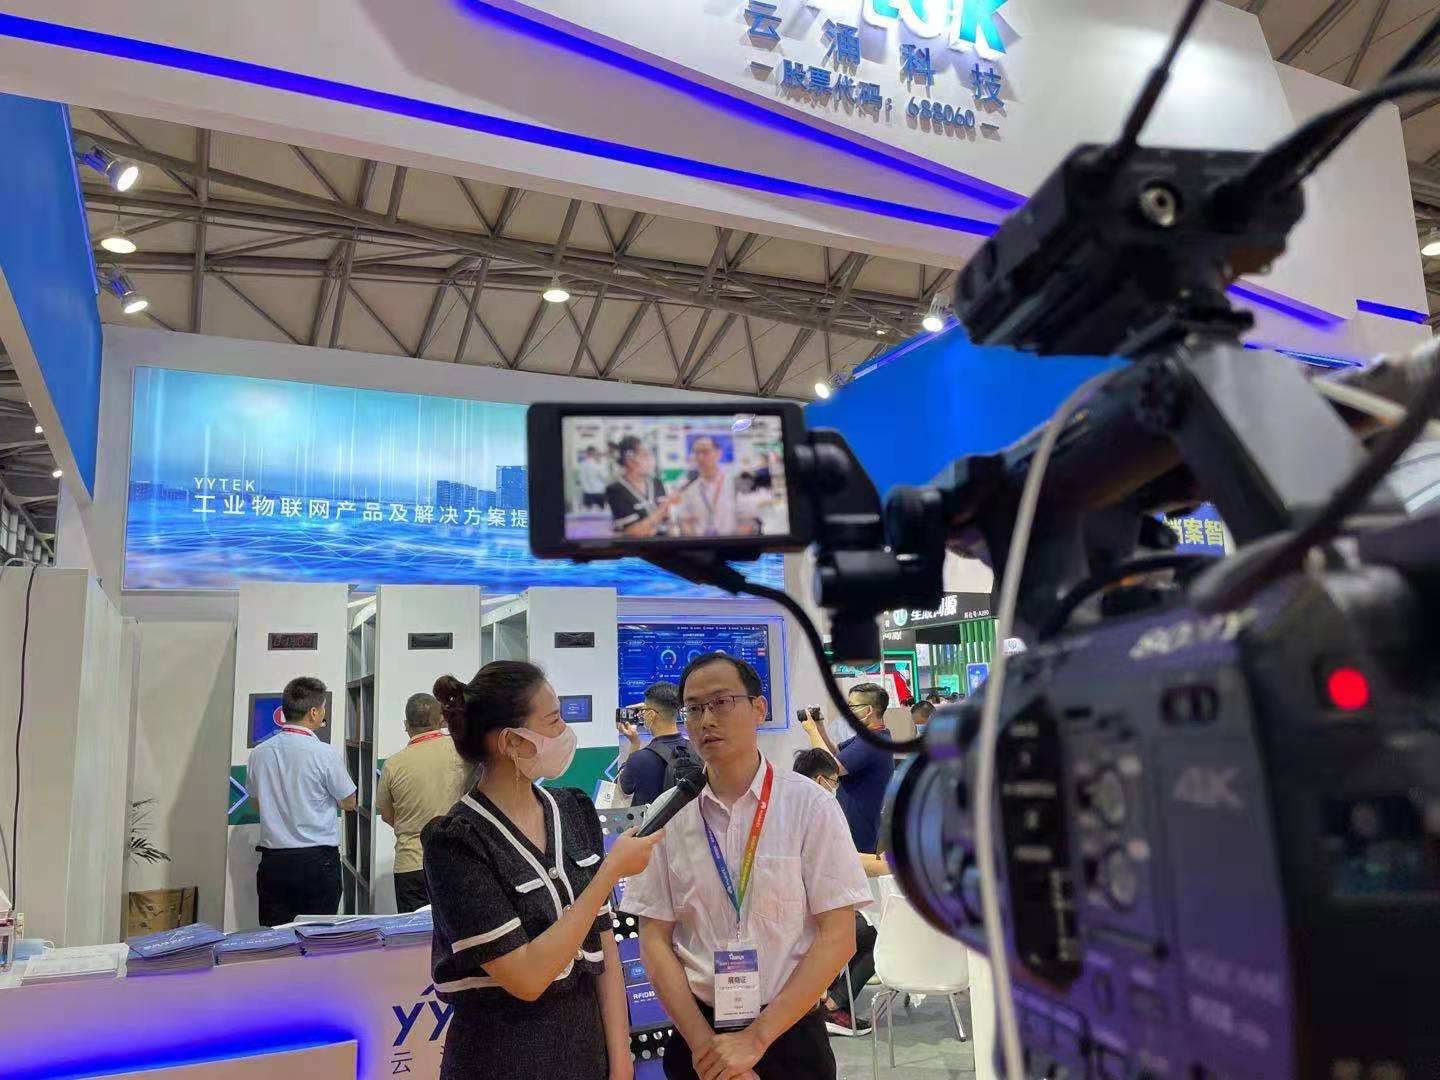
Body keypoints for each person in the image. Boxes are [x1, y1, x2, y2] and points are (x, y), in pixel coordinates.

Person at [626, 652, 870, 1080]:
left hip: (790, 1034)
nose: (706, 719)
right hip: (697, 1038)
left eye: (722, 702)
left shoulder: (809, 805)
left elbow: (838, 935)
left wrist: (755, 1039)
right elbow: (654, 939)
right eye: (694, 709)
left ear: (759, 708)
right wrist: (708, 1051)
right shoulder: (669, 812)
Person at [423, 663, 664, 1080]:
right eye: (553, 722)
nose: (565, 733)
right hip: (503, 1060)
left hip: (586, 1053)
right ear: (511, 741)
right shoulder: (458, 842)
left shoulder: (572, 810)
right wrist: (608, 875)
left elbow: (603, 944)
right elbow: (527, 977)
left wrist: (621, 1059)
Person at [247, 676, 355, 927]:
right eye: (324, 708)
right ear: (314, 713)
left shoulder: (259, 753)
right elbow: (349, 802)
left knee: (278, 937)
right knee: (318, 937)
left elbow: (255, 803)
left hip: (274, 863)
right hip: (317, 862)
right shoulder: (325, 753)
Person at [791, 748, 885, 1037]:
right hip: (811, 909)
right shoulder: (820, 810)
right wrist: (888, 866)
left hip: (798, 905)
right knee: (872, 939)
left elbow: (845, 857)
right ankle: (834, 1005)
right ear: (821, 780)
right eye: (834, 781)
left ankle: (828, 998)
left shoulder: (787, 806)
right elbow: (847, 861)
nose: (836, 788)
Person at [377, 692, 470, 912]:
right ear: (441, 720)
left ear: (406, 725)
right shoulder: (463, 753)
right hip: (456, 860)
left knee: (414, 931)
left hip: (411, 864)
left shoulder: (393, 765)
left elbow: (387, 815)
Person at [799, 684, 896, 854]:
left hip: (862, 831)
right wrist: (820, 727)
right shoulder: (869, 737)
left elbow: (829, 767)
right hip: (857, 825)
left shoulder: (871, 742)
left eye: (852, 707)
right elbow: (836, 752)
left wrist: (812, 731)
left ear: (869, 710)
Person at [617, 682, 699, 807]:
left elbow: (623, 788)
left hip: (652, 820)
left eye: (644, 711)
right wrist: (649, 708)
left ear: (651, 715)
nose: (642, 714)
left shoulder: (640, 758)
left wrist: (634, 743)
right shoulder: (697, 750)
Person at [606, 435, 683, 538]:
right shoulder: (616, 490)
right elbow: (634, 532)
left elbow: (668, 521)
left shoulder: (657, 483)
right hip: (638, 546)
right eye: (645, 455)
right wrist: (664, 506)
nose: (650, 459)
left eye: (650, 454)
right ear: (630, 460)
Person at [678, 436, 745, 538]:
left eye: (705, 452)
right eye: (696, 453)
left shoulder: (734, 482)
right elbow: (685, 521)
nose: (700, 457)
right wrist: (695, 542)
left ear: (718, 453)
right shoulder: (688, 488)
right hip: (700, 544)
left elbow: (746, 520)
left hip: (731, 543)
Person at [579, 446, 610, 510]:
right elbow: (582, 477)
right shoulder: (584, 464)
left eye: (593, 453)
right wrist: (586, 488)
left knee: (602, 510)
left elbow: (605, 477)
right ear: (587, 453)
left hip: (600, 491)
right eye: (590, 453)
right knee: (588, 511)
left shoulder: (602, 464)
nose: (592, 455)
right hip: (589, 492)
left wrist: (599, 465)